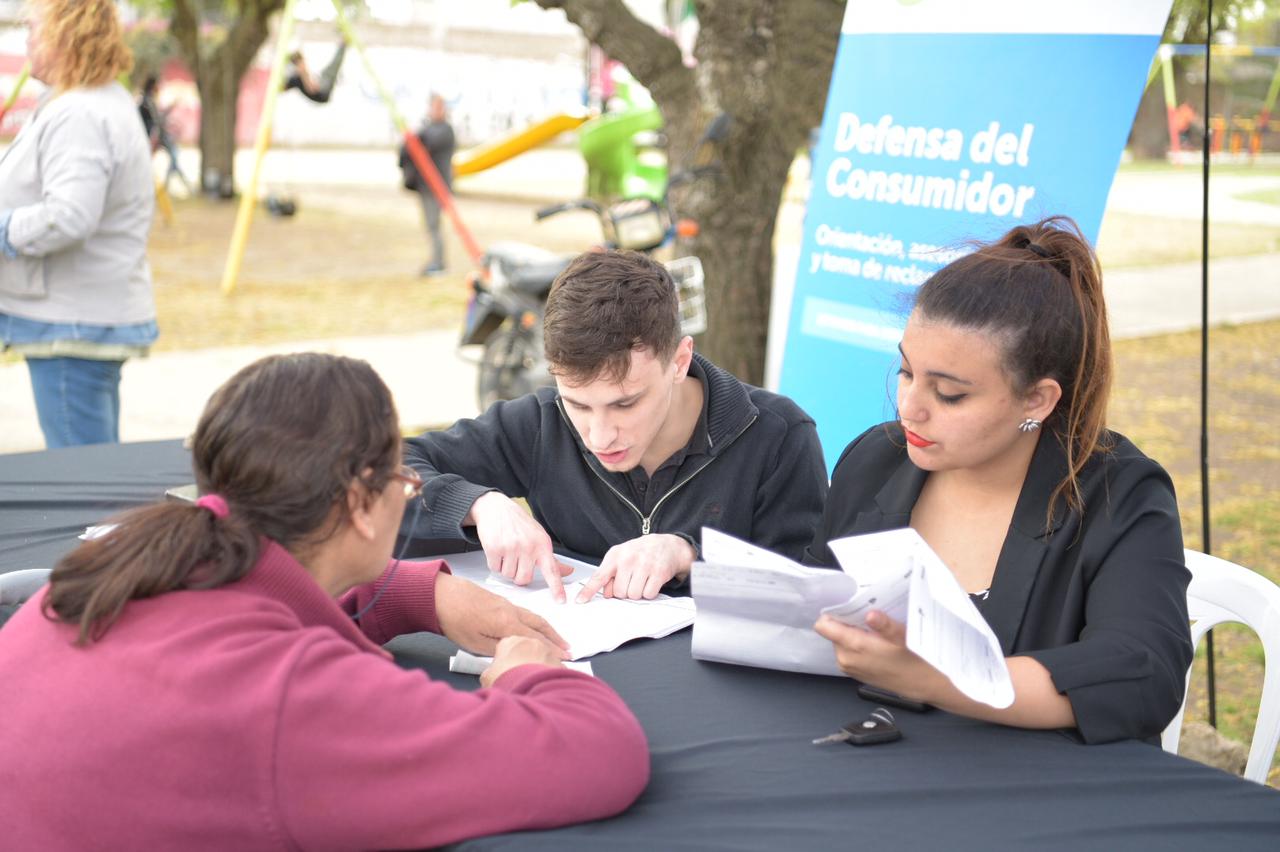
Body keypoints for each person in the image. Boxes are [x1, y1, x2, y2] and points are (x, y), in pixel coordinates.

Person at [0, 352, 649, 850]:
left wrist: (425, 593)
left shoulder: (122, 565)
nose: (410, 490)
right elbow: (600, 755)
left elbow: (264, 585)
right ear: (358, 506)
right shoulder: (288, 696)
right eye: (402, 475)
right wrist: (526, 673)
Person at [806, 216, 1193, 745]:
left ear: (1037, 399)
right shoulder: (877, 459)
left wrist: (940, 680)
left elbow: (1143, 673)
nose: (909, 408)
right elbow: (817, 609)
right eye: (905, 372)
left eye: (949, 394)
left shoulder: (1117, 494)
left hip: (1046, 797)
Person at [405, 249, 829, 604]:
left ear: (679, 363)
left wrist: (689, 556)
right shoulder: (540, 423)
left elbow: (807, 595)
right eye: (578, 404)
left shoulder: (779, 436)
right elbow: (383, 469)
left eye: (625, 403)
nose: (599, 435)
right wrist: (477, 504)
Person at [0, 0, 157, 448]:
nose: (26, 40)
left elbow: (68, 216)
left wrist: (3, 227)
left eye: (34, 29)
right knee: (95, 459)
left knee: (80, 468)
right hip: (78, 318)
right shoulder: (89, 102)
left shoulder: (81, 114)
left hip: (72, 326)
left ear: (66, 37)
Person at [399, 93, 456, 275]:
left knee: (434, 225)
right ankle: (436, 260)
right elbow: (407, 148)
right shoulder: (428, 129)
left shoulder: (445, 130)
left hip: (437, 187)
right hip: (426, 186)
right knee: (430, 225)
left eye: (440, 107)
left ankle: (438, 262)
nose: (436, 111)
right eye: (434, 107)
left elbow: (429, 140)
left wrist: (415, 137)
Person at [137, 74, 191, 194]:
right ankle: (165, 187)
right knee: (173, 157)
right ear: (153, 85)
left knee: (173, 157)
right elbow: (157, 120)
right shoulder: (147, 100)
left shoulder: (146, 99)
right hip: (154, 137)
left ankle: (166, 186)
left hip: (154, 137)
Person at [282, 42, 346, 104]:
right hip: (321, 88)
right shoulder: (298, 76)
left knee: (332, 68)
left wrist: (303, 73)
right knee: (331, 68)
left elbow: (313, 88)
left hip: (321, 92)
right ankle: (343, 45)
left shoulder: (300, 75)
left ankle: (343, 45)